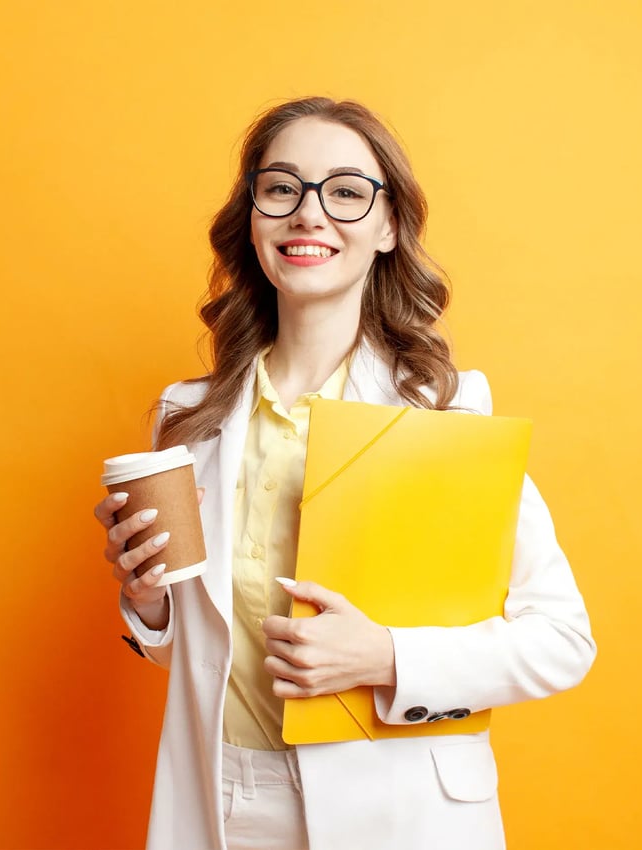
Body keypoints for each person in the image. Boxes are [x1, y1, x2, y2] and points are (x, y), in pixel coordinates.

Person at [94, 96, 596, 850]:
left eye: (347, 191)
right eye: (281, 187)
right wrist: (147, 601)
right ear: (253, 217)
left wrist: (388, 657)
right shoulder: (189, 417)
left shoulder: (442, 412)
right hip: (221, 801)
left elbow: (561, 639)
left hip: (397, 812)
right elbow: (194, 651)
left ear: (388, 226)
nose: (309, 213)